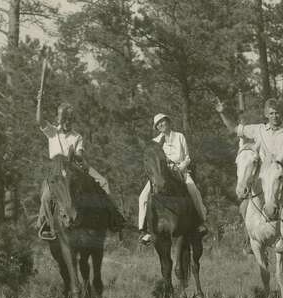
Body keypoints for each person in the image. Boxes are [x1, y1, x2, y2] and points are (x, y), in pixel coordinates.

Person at [36, 101, 126, 238]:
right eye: (65, 119)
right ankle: (46, 224)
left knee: (103, 182)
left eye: (70, 119)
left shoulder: (77, 136)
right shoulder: (53, 132)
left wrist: (75, 156)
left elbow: (79, 155)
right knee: (46, 196)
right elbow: (39, 120)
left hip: (73, 165)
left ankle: (114, 217)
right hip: (57, 168)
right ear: (60, 119)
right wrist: (39, 103)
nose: (68, 122)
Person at [138, 113, 208, 244]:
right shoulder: (155, 142)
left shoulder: (180, 136)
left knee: (194, 191)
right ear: (157, 128)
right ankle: (144, 231)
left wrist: (180, 168)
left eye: (163, 121)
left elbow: (187, 158)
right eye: (158, 124)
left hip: (180, 171)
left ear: (168, 122)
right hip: (160, 175)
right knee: (142, 197)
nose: (161, 125)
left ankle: (200, 222)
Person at [215, 97, 283, 166]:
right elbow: (234, 128)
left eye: (277, 113)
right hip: (264, 178)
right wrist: (222, 113)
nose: (274, 116)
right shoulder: (258, 130)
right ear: (266, 114)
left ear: (281, 114)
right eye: (271, 113)